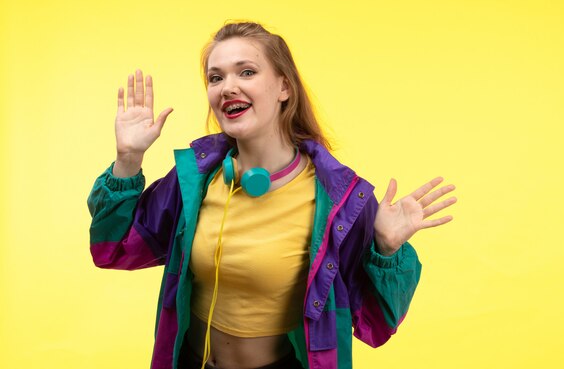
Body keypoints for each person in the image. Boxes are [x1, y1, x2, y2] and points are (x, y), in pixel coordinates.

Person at [87, 22, 457, 369]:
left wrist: (386, 250)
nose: (227, 87)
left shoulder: (341, 202)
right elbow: (113, 249)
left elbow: (375, 327)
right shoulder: (195, 180)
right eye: (216, 77)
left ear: (284, 88)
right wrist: (129, 158)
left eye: (246, 72)